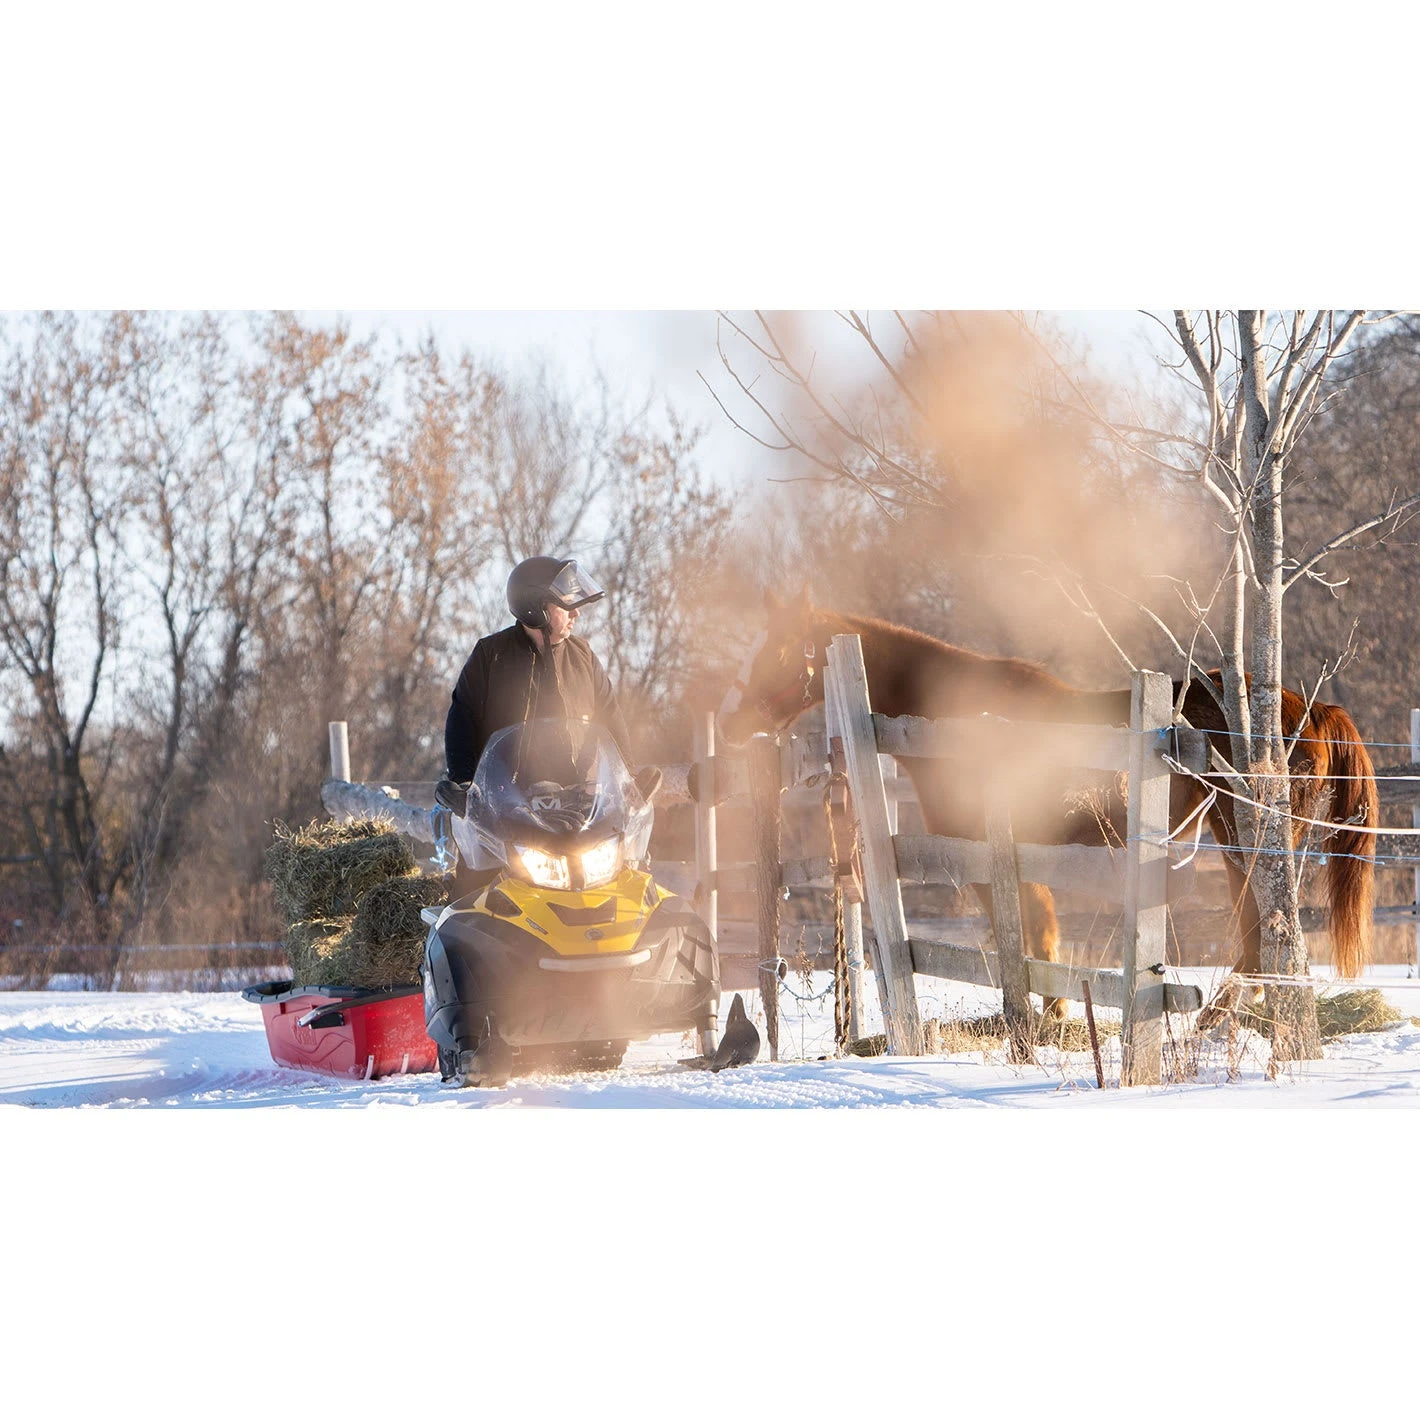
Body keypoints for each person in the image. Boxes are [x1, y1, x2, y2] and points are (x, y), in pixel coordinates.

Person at [441, 556, 634, 892]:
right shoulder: (491, 655)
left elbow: (612, 720)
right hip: (504, 809)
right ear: (536, 609)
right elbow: (461, 719)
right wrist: (464, 784)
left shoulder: (584, 656)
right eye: (565, 605)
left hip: (579, 809)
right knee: (474, 894)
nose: (576, 614)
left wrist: (629, 779)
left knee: (622, 880)